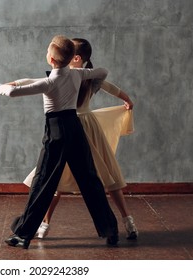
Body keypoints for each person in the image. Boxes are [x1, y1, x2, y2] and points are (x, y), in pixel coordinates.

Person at [0, 35, 119, 249]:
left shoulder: (50, 82)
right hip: (75, 129)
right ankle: (110, 230)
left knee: (43, 181)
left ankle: (22, 235)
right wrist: (86, 75)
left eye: (48, 51)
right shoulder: (77, 74)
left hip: (57, 132)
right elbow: (102, 72)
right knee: (90, 181)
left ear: (52, 60)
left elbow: (11, 92)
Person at [24, 38, 138, 240]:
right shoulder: (70, 75)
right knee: (58, 178)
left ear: (76, 58)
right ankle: (45, 222)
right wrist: (126, 99)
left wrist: (127, 100)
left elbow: (110, 87)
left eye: (69, 54)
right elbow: (33, 82)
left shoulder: (86, 77)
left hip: (80, 128)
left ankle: (128, 221)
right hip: (75, 126)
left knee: (105, 175)